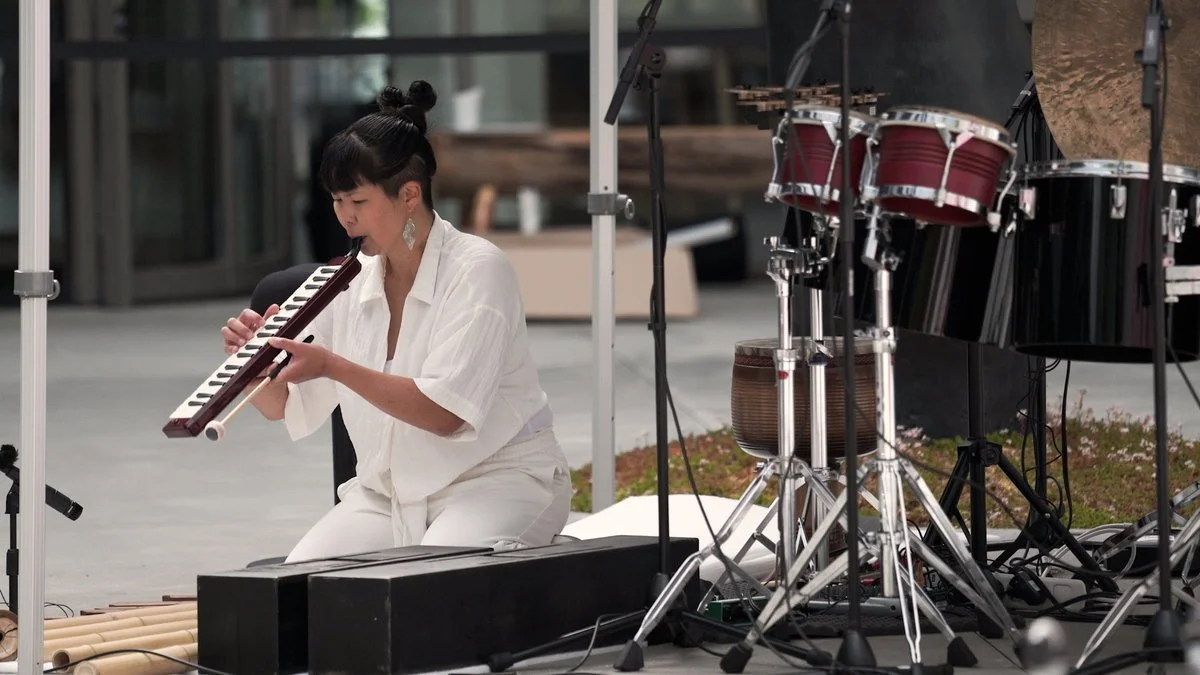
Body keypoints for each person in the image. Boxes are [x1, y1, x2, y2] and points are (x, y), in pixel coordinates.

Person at [220, 80, 572, 563]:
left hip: (496, 480)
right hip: (387, 497)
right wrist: (259, 371)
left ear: (409, 194)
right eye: (336, 201)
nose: (344, 217)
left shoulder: (478, 269)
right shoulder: (347, 280)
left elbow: (445, 415)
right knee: (303, 584)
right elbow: (285, 407)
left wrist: (332, 365)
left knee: (432, 584)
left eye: (358, 202)